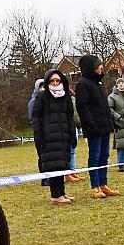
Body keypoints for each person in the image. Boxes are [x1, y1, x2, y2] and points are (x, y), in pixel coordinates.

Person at [75, 55, 120, 198]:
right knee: (94, 156)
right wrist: (91, 125)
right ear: (91, 67)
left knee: (104, 156)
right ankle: (95, 187)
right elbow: (83, 107)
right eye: (98, 65)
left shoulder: (98, 84)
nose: (102, 67)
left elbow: (104, 107)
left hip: (105, 127)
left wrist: (111, 122)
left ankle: (103, 184)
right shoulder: (83, 84)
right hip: (94, 128)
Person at [32, 70, 77, 205]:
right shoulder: (42, 97)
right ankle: (55, 195)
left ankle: (61, 193)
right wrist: (39, 134)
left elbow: (70, 116)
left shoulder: (66, 96)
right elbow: (35, 117)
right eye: (52, 81)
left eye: (57, 80)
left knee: (62, 164)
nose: (55, 83)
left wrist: (71, 133)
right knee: (53, 166)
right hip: (48, 137)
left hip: (63, 135)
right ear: (47, 82)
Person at [28, 79, 50, 187]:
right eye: (41, 86)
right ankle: (44, 178)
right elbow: (33, 118)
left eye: (44, 86)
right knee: (42, 156)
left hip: (49, 132)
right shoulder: (33, 102)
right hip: (40, 133)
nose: (43, 88)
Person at [65, 87, 84, 182]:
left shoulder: (73, 98)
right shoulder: (63, 99)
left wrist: (79, 124)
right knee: (67, 150)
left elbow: (77, 113)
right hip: (67, 126)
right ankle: (67, 173)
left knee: (73, 150)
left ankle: (73, 171)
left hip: (75, 126)